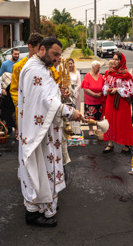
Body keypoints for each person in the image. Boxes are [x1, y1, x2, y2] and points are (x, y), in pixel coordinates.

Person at [18, 37, 83, 227]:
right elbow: (46, 103)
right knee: (40, 170)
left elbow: (48, 96)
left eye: (59, 56)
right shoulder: (34, 70)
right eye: (54, 54)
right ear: (42, 49)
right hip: (39, 132)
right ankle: (34, 213)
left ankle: (47, 205)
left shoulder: (42, 68)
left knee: (47, 170)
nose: (57, 59)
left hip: (46, 130)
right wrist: (71, 112)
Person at [10, 33, 45, 139]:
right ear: (30, 47)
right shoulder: (19, 66)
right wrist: (19, 104)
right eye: (39, 48)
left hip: (41, 108)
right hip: (25, 109)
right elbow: (14, 89)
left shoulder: (45, 65)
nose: (42, 51)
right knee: (26, 140)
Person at [102, 52, 133, 153]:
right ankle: (110, 144)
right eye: (113, 59)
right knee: (110, 121)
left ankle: (127, 144)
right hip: (111, 101)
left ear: (121, 61)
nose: (114, 61)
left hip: (122, 102)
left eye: (117, 59)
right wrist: (107, 89)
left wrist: (117, 90)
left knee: (123, 123)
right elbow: (105, 84)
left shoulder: (126, 74)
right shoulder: (109, 72)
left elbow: (130, 89)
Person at [81, 60, 104, 136]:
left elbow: (103, 86)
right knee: (90, 115)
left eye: (99, 68)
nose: (99, 69)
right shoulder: (87, 76)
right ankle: (90, 129)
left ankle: (98, 128)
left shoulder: (100, 76)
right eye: (97, 68)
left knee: (99, 115)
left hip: (99, 100)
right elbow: (85, 88)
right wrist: (94, 94)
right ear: (93, 67)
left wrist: (100, 93)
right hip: (90, 100)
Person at [0, 70, 16, 136]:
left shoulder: (19, 78)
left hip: (14, 100)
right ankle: (9, 130)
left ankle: (16, 130)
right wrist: (2, 88)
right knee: (6, 116)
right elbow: (0, 82)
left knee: (15, 116)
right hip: (6, 100)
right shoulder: (6, 75)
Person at [68, 58, 81, 134]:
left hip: (75, 96)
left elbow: (79, 84)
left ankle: (76, 130)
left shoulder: (77, 73)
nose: (70, 65)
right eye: (68, 64)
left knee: (76, 111)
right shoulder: (65, 73)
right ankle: (69, 129)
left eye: (71, 63)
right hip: (68, 96)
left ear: (73, 64)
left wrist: (74, 92)